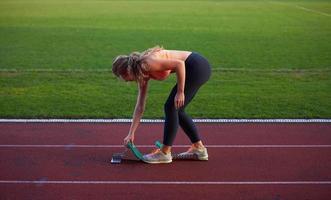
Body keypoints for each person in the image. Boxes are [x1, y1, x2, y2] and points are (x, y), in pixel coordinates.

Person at [112, 46, 211, 164]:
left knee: (170, 107)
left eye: (122, 76)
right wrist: (131, 133)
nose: (124, 80)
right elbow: (140, 106)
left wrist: (180, 92)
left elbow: (179, 64)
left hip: (197, 66)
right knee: (177, 109)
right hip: (196, 67)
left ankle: (164, 152)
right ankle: (198, 148)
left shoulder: (147, 63)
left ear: (127, 71)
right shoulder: (141, 73)